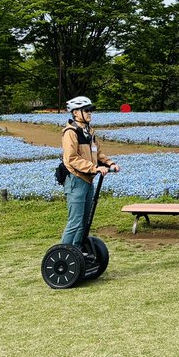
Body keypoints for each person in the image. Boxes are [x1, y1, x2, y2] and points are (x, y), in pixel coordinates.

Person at [60, 95, 119, 246]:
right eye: (86, 110)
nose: (89, 113)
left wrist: (110, 163)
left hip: (88, 180)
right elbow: (72, 158)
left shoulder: (89, 132)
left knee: (84, 221)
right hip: (76, 180)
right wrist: (95, 168)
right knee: (75, 221)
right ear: (75, 113)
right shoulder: (70, 133)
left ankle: (77, 252)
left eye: (90, 110)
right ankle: (64, 254)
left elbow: (97, 153)